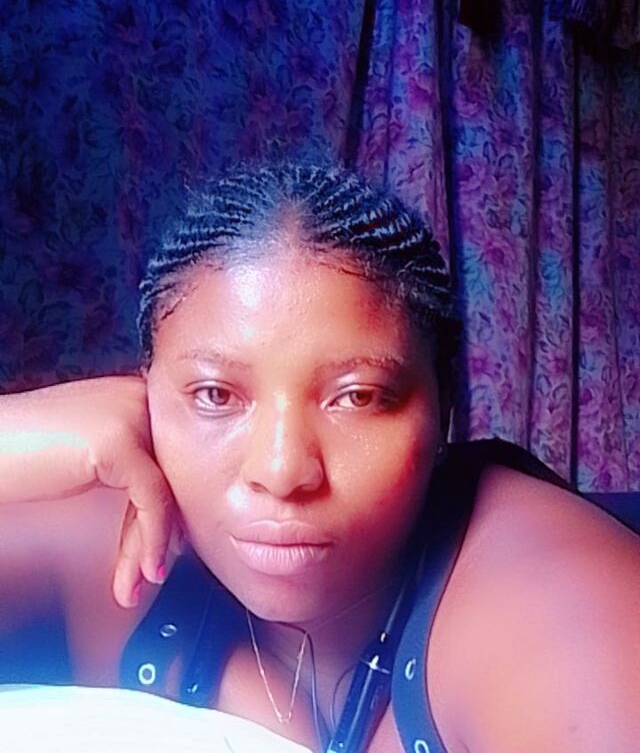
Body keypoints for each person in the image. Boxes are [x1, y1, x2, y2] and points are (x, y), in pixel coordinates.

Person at [1, 163, 639, 753]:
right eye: (216, 396)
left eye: (357, 397)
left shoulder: (553, 605)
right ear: (148, 399)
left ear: (443, 407)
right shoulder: (121, 553)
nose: (281, 471)